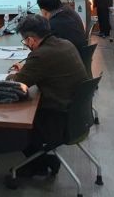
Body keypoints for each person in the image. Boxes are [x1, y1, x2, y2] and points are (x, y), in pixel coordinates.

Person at [7, 15, 88, 177]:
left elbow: (16, 85)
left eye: (25, 42)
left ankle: (39, 164)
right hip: (77, 116)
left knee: (14, 121)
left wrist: (12, 75)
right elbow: (47, 68)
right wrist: (29, 68)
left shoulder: (40, 55)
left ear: (30, 40)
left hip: (57, 120)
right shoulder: (66, 44)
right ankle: (41, 161)